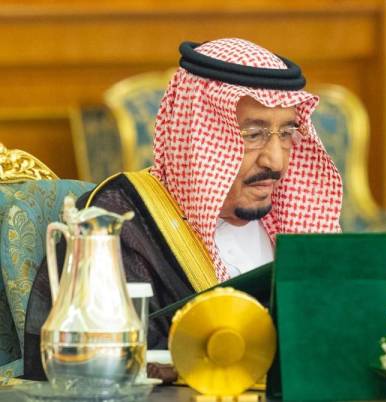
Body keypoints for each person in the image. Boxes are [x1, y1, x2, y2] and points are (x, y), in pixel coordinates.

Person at [23, 38, 343, 379]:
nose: (276, 161)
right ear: (198, 135)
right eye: (253, 135)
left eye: (287, 133)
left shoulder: (288, 219)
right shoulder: (123, 223)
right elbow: (94, 368)